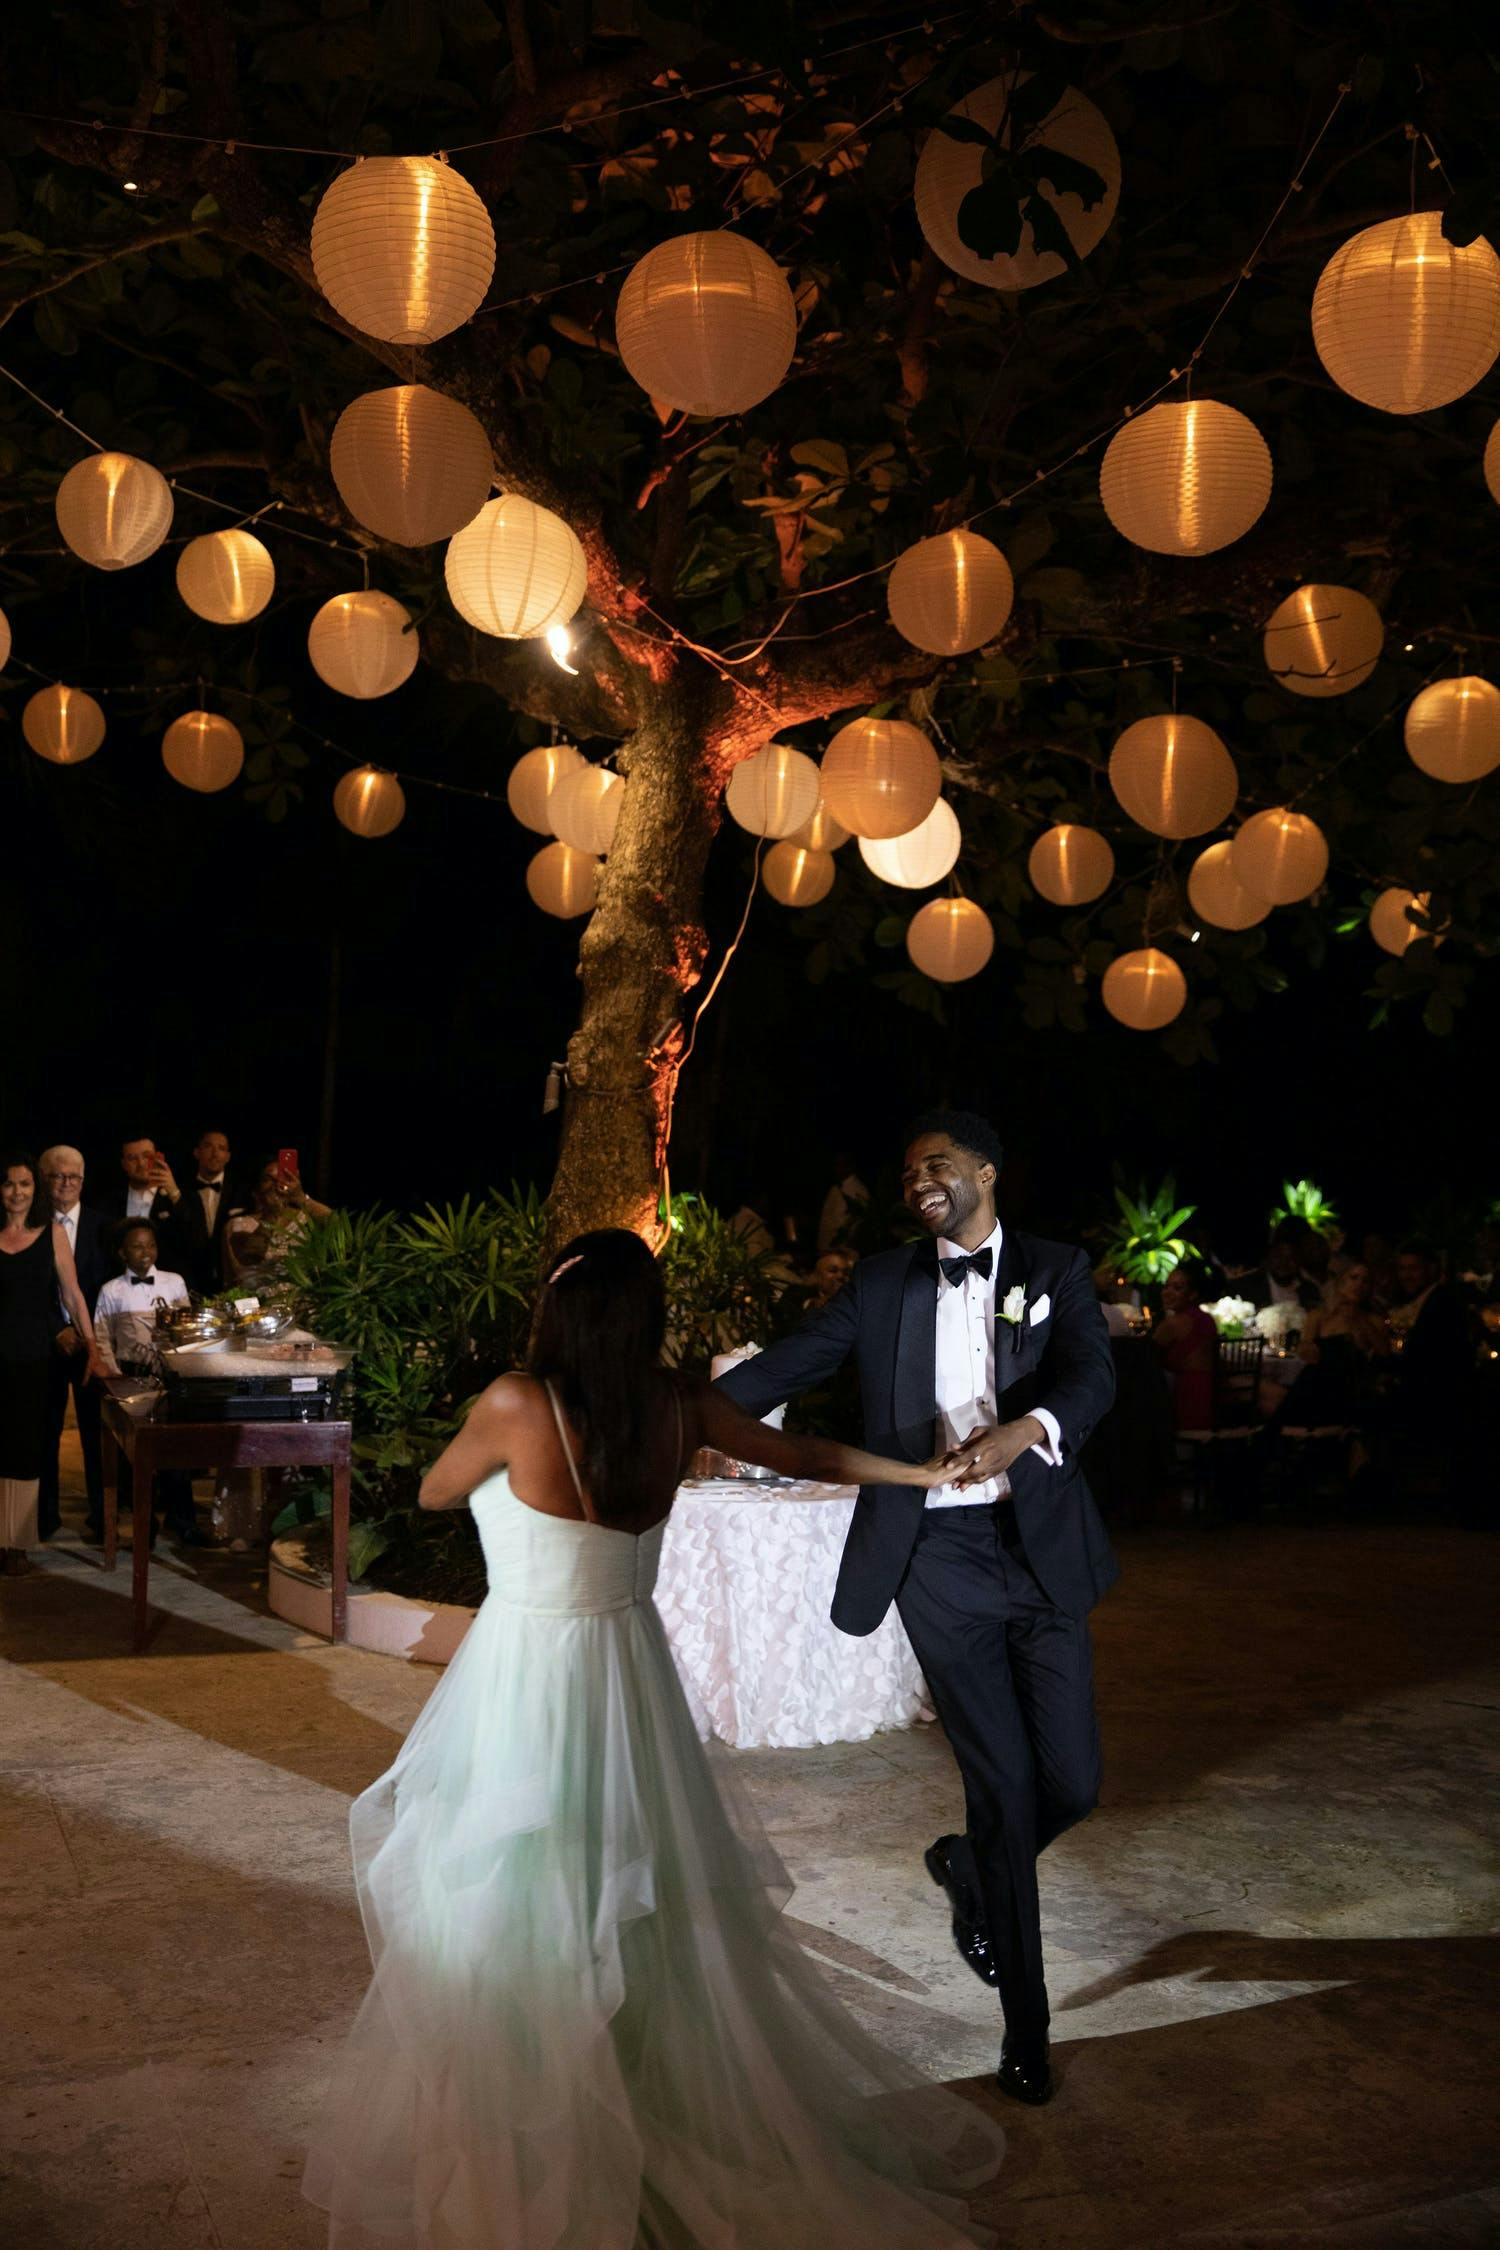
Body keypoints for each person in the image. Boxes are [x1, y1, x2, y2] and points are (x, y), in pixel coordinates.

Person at [302, 1229, 1004, 2247]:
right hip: (631, 1674)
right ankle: (646, 2104)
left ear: (559, 1305)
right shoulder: (679, 1406)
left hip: (531, 1677)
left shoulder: (515, 1403)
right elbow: (800, 1453)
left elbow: (435, 1490)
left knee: (519, 1895)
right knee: (647, 1904)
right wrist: (918, 1473)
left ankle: (540, 2137)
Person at [718, 1109, 1117, 2109]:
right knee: (1010, 1789)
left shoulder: (1055, 1268)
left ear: (988, 1167)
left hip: (1039, 1555)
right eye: (907, 1171)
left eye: (935, 1163)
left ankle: (967, 1867)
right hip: (935, 1557)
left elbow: (1091, 1376)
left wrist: (1026, 1429)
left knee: (1075, 1783)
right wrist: (681, 1403)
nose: (917, 1180)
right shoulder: (885, 1281)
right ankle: (1028, 2030)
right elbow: (789, 1365)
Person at [1, 1153, 107, 1574]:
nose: (17, 1192)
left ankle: (16, 1543)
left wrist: (92, 1345)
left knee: (26, 1448)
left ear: (35, 1190)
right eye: (9, 1184)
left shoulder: (53, 1235)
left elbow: (72, 1294)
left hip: (33, 1357)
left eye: (25, 1184)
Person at [93, 1223, 204, 1548]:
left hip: (169, 1377)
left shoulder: (174, 1283)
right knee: (136, 1456)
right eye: (137, 1247)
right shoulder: (111, 1290)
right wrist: (114, 1376)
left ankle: (182, 1521)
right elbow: (102, 1337)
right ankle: (145, 1526)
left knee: (176, 1452)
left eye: (150, 1246)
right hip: (131, 1378)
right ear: (122, 1252)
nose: (145, 1253)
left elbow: (188, 1331)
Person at [37, 1145, 113, 1540]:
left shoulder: (104, 1226)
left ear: (83, 1180)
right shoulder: (31, 1226)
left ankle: (102, 1516)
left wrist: (90, 1336)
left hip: (92, 1344)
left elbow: (110, 1288)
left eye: (74, 1177)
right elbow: (28, 1289)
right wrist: (56, 1328)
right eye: (57, 1176)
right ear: (44, 1179)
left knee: (96, 1433)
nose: (66, 1184)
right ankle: (43, 1517)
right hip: (46, 1344)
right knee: (45, 1434)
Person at [1262, 1260, 1390, 1433]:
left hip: (1351, 1386)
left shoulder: (1373, 1320)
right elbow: (1305, 1348)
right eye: (1354, 1278)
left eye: (1365, 1281)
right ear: (1341, 1282)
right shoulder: (1319, 1316)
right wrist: (1308, 1348)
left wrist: (1358, 1317)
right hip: (1319, 1382)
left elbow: (1384, 1353)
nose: (1359, 1284)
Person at [223, 1157, 331, 1287]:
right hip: (255, 1303)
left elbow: (336, 1223)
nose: (276, 1184)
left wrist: (301, 1198)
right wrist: (272, 1213)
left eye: (283, 1178)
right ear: (256, 1190)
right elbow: (250, 1256)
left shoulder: (304, 1220)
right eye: (268, 1179)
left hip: (300, 1303)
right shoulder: (238, 1224)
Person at [1152, 1261, 1218, 1431]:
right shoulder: (1207, 1319)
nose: (1167, 1293)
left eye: (1177, 1288)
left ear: (1193, 1294)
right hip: (1212, 1395)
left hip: (1186, 1398)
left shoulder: (1172, 1324)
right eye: (1166, 1286)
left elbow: (1146, 1358)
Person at [176, 1128, 240, 1294]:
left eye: (221, 1148)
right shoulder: (180, 1191)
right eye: (208, 1147)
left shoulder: (241, 1191)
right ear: (197, 1152)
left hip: (231, 1278)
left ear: (228, 1156)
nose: (215, 1153)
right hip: (190, 1278)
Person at [116, 1134, 184, 1274]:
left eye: (147, 1156)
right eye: (132, 1158)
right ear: (123, 1164)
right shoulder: (109, 1202)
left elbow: (195, 1241)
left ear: (158, 1158)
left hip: (173, 1286)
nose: (141, 1164)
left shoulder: (179, 1197)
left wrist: (175, 1194)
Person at [1237, 1220, 1323, 1313]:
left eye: (1292, 1258)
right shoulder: (1245, 1287)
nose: (1284, 1263)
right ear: (1269, 1255)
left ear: (1300, 1260)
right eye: (1278, 1256)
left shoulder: (1310, 1291)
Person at [816, 1149, 870, 1254]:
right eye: (835, 1165)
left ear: (850, 1166)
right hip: (828, 1249)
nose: (836, 1169)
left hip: (842, 1250)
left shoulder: (857, 1190)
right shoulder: (836, 1188)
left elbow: (857, 1223)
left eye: (840, 1164)